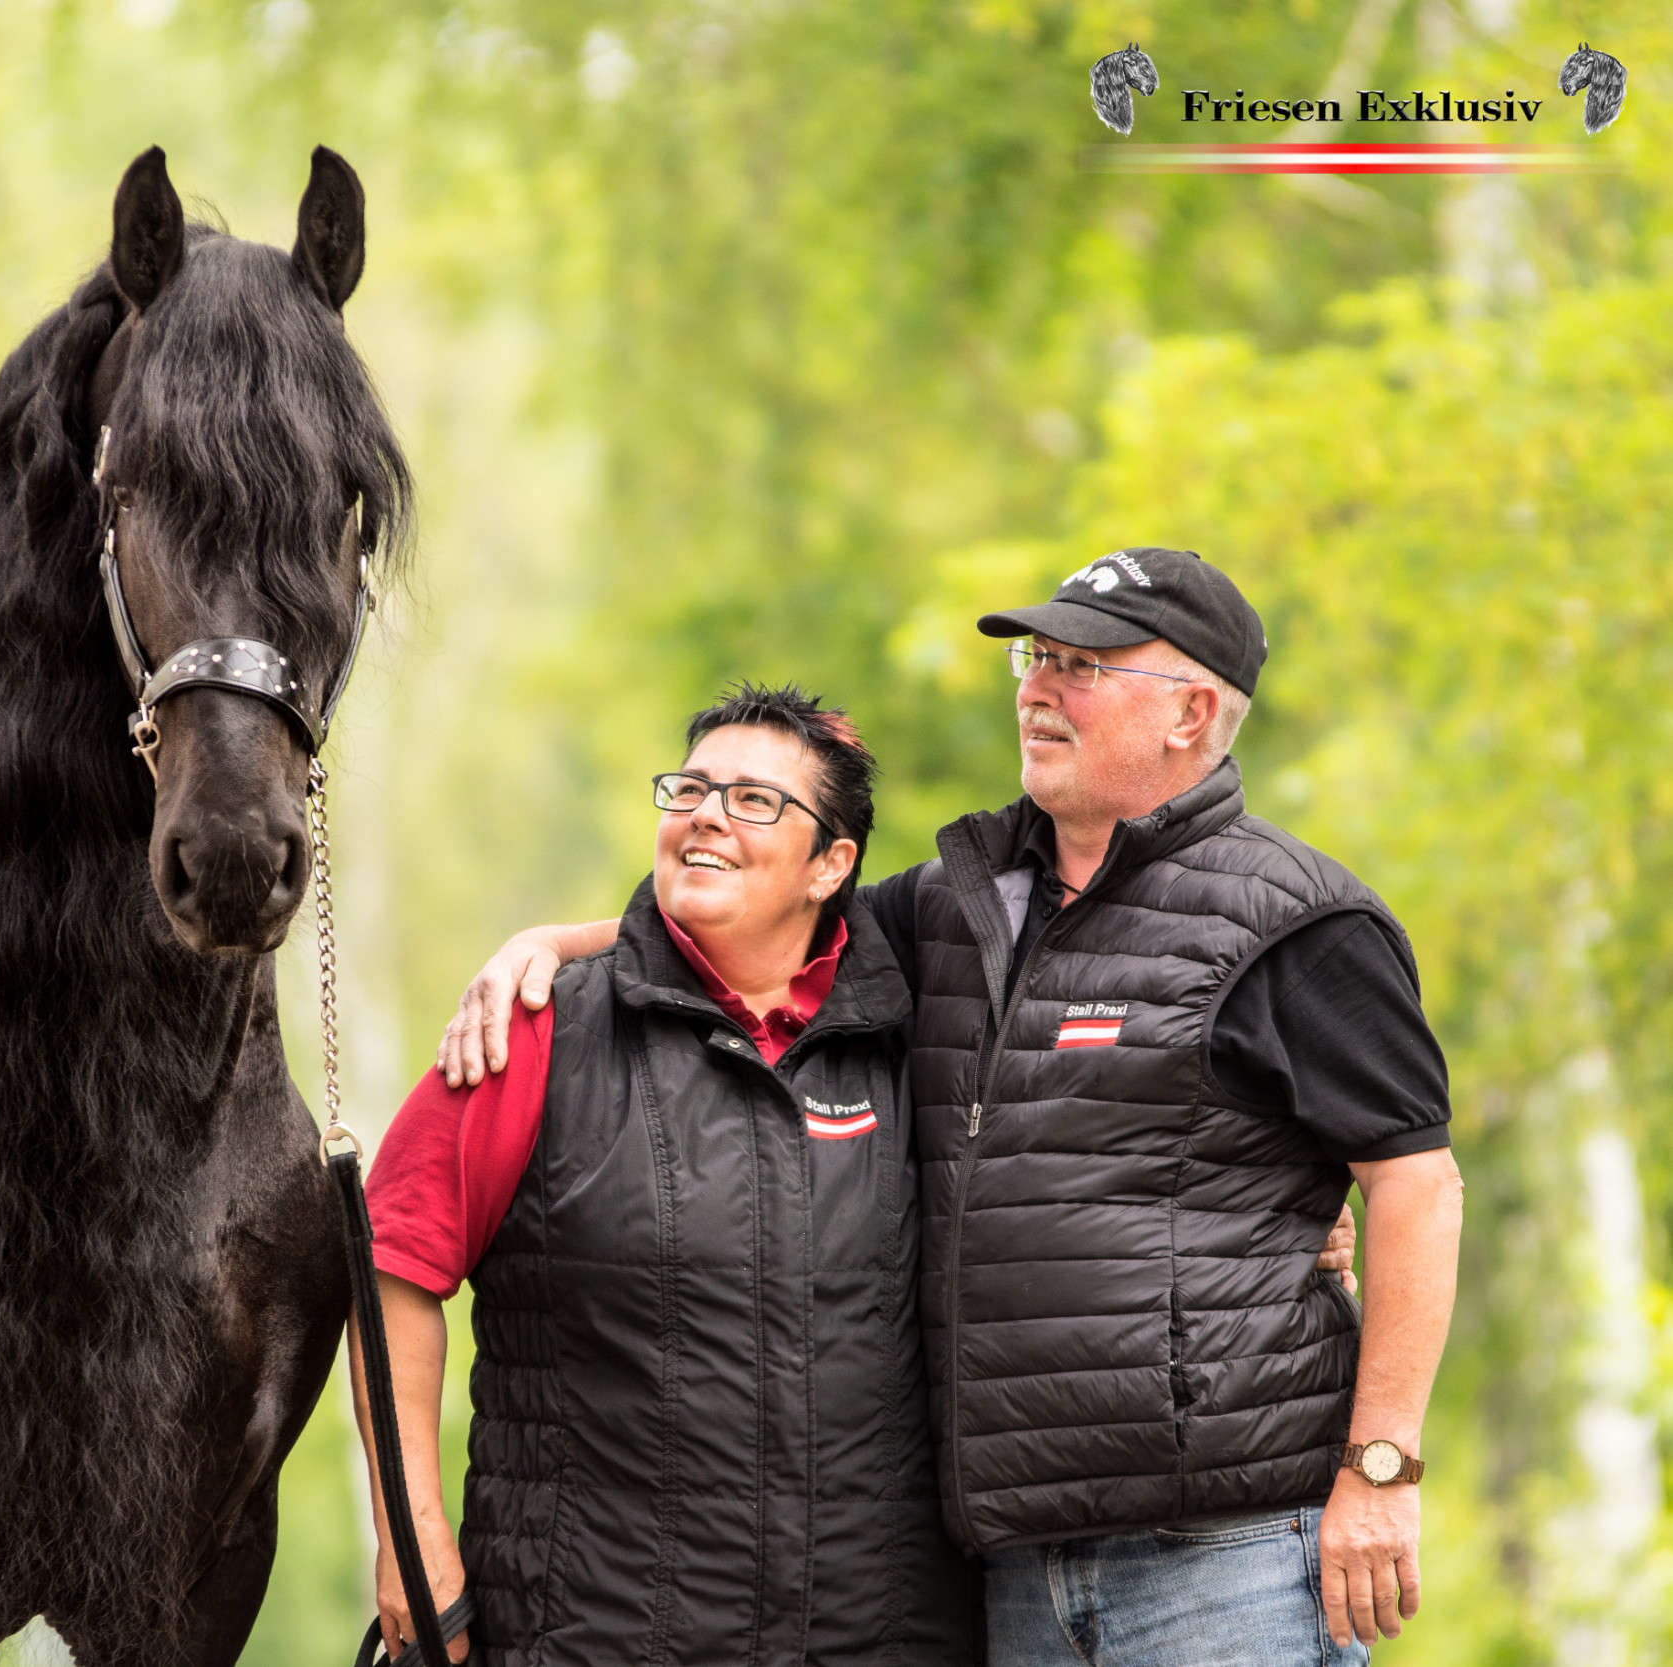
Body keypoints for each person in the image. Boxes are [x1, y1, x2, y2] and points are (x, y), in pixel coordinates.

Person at [441, 549, 1461, 1665]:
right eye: (1037, 659)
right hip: (1014, 1578)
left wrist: (1381, 1468)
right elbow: (768, 917)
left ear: (1191, 712)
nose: (1039, 689)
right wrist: (551, 944)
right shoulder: (952, 905)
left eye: (1082, 666)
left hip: (1227, 1566)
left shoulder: (1299, 922)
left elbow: (1417, 1185)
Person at [351, 683, 985, 1666]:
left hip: (884, 1637)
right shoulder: (535, 1026)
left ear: (831, 865)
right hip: (592, 1636)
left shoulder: (923, 1032)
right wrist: (411, 1528)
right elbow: (390, 1266)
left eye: (754, 800)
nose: (705, 815)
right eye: (690, 789)